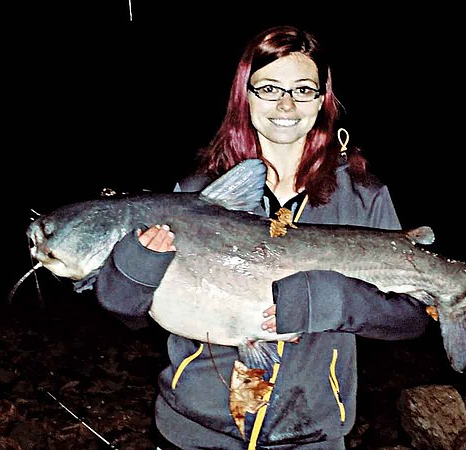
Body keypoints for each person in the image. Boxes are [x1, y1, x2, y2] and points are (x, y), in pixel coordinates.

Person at [95, 25, 432, 450]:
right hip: (192, 431)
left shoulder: (365, 197)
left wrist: (337, 300)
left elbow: (412, 318)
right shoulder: (197, 193)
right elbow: (136, 317)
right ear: (245, 95)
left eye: (303, 89)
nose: (286, 104)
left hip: (310, 433)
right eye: (269, 88)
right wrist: (128, 278)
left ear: (323, 97)